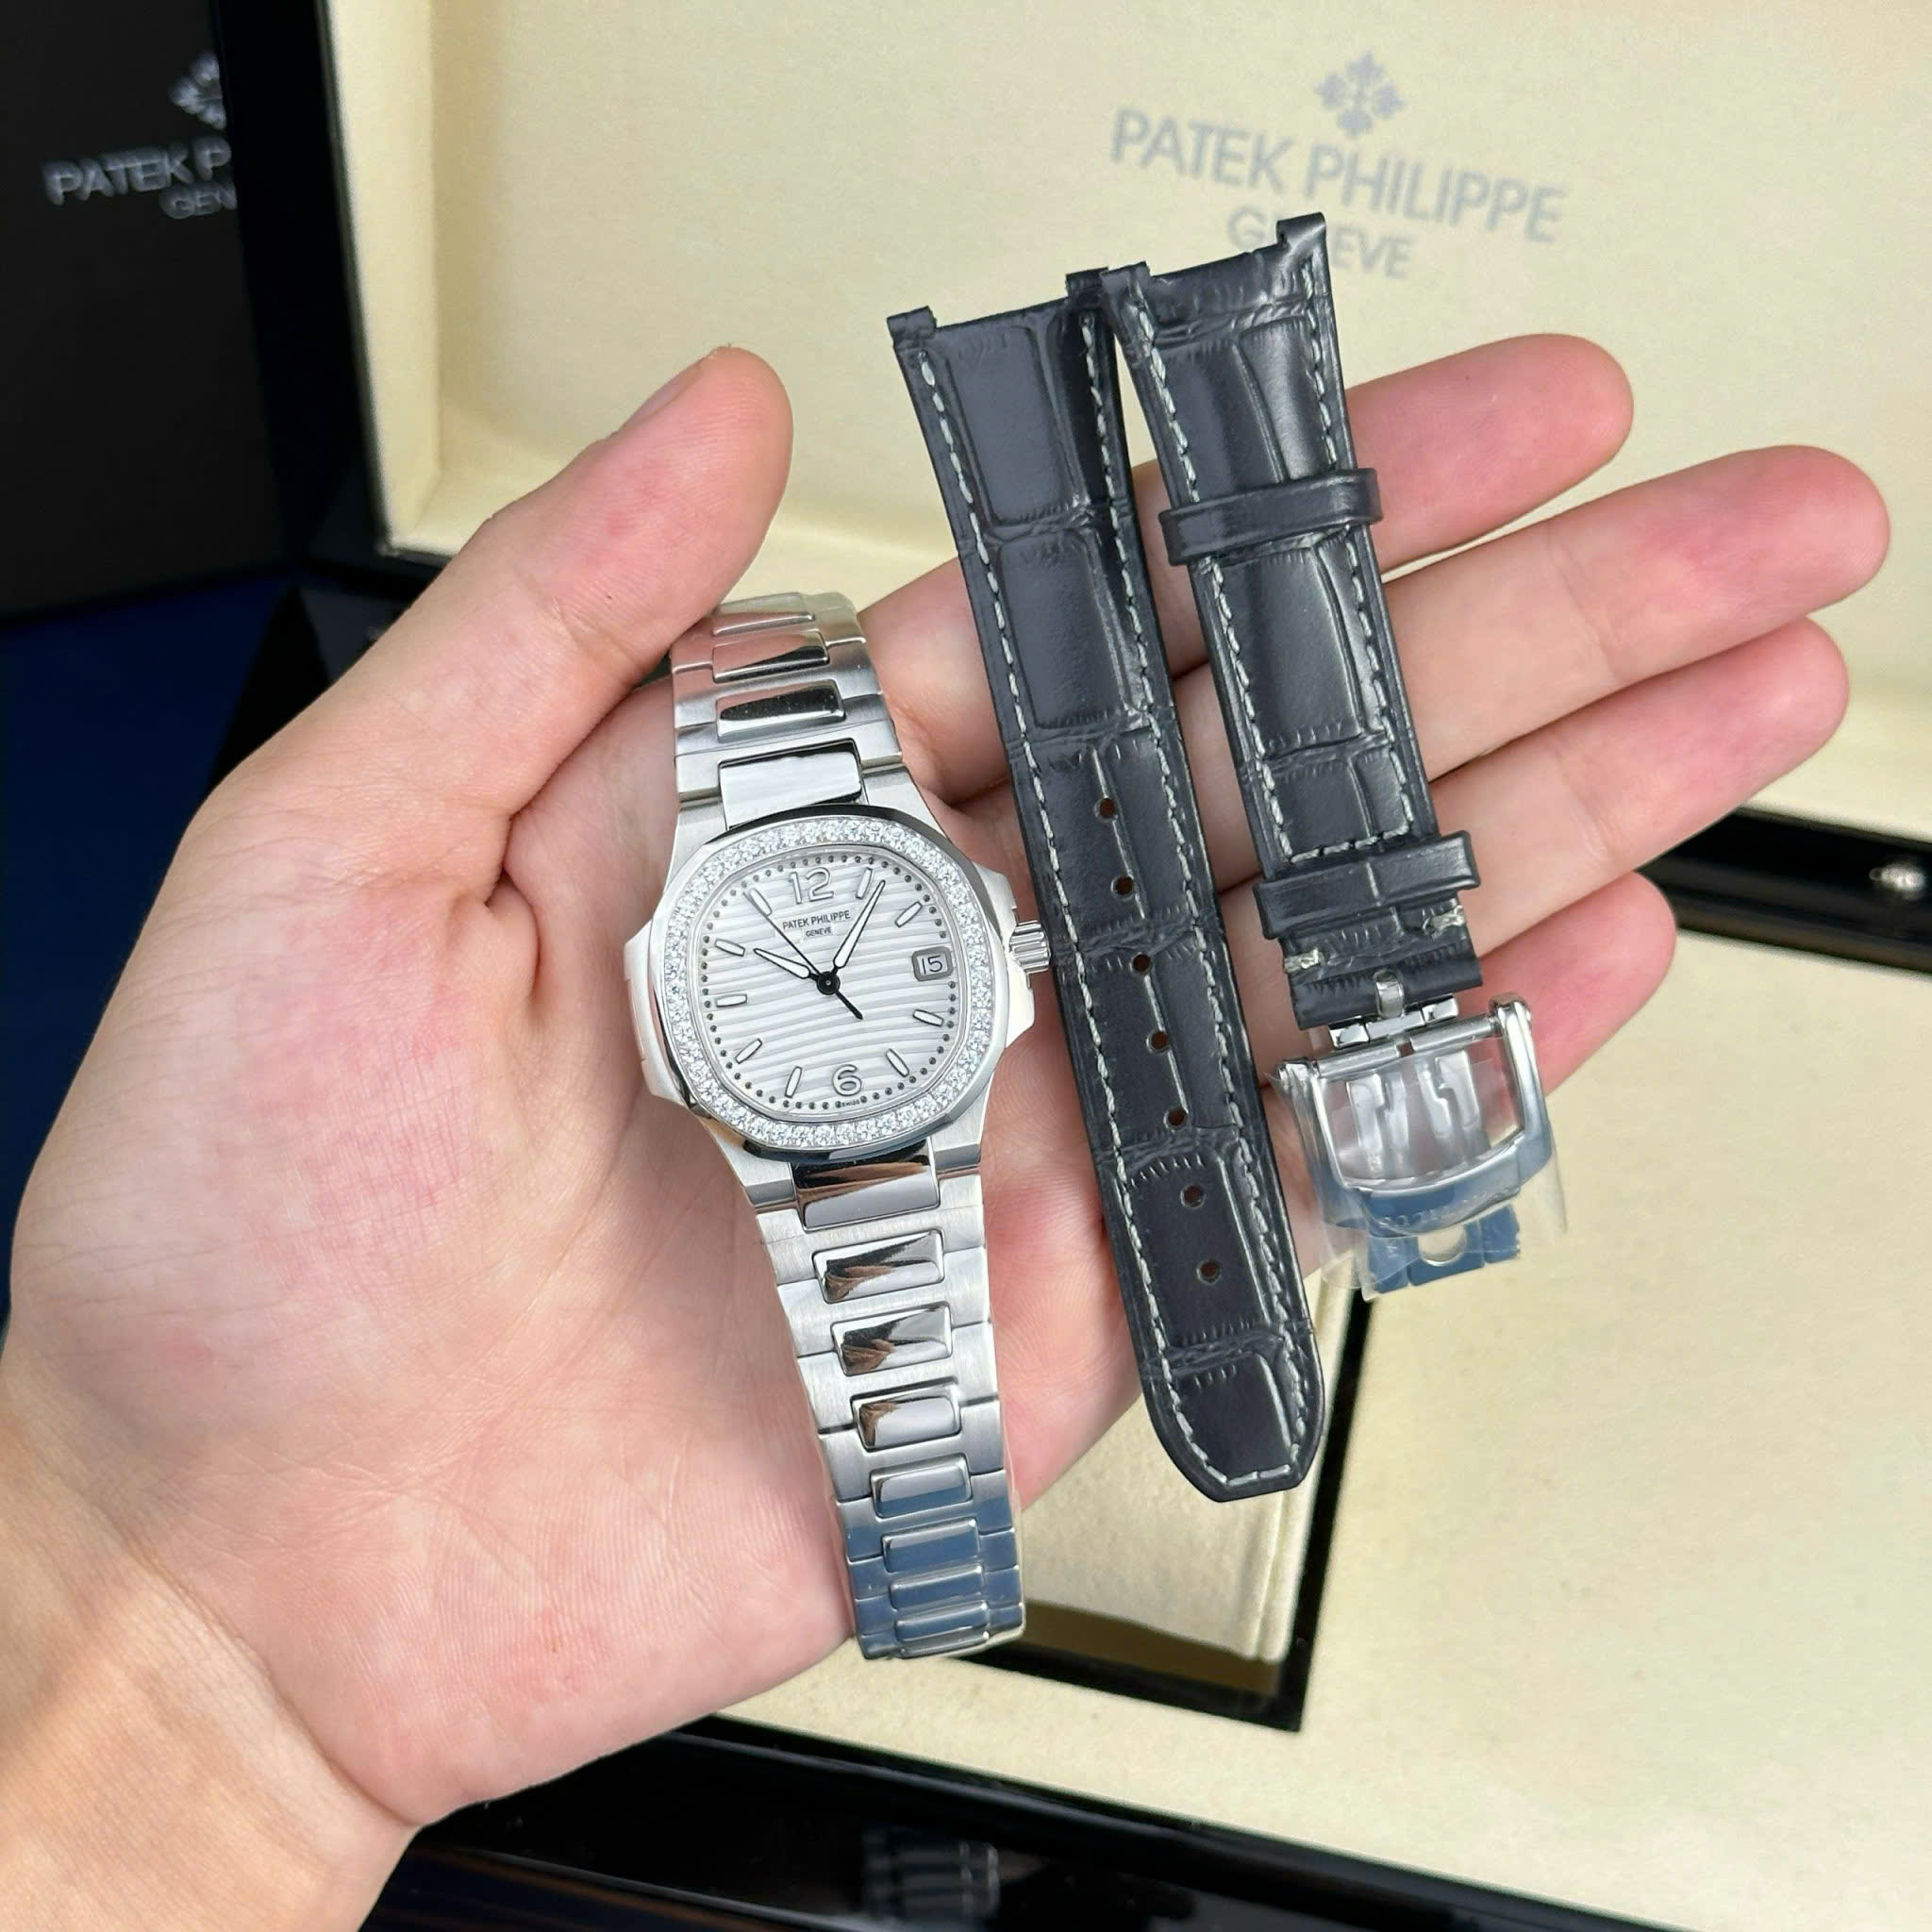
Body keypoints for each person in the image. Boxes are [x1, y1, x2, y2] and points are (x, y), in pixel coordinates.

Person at [0, 341, 1887, 1924]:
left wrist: (192, 1686)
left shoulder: (932, 950)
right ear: (669, 1002)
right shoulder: (715, 1011)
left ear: (998, 949)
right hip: (807, 1144)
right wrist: (181, 1634)